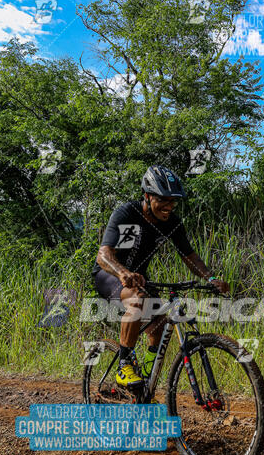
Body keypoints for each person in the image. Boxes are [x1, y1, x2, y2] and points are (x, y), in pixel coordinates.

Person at [92, 165, 229, 389]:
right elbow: (103, 255)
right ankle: (124, 366)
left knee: (161, 323)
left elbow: (190, 256)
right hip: (110, 276)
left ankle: (145, 381)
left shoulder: (171, 222)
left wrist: (210, 277)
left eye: (173, 201)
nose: (169, 206)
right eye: (163, 200)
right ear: (147, 196)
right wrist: (123, 272)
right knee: (137, 300)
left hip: (141, 280)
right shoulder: (127, 213)